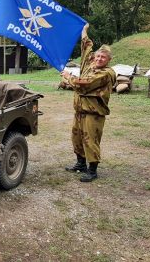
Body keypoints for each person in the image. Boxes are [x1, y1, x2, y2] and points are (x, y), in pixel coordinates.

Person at [61, 23, 116, 182]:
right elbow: (87, 47)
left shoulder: (106, 73)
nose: (99, 59)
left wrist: (67, 76)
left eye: (103, 57)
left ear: (108, 60)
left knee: (90, 140)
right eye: (98, 56)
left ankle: (92, 170)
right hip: (79, 111)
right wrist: (84, 31)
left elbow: (82, 85)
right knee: (76, 137)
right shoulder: (90, 63)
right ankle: (80, 164)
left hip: (94, 114)